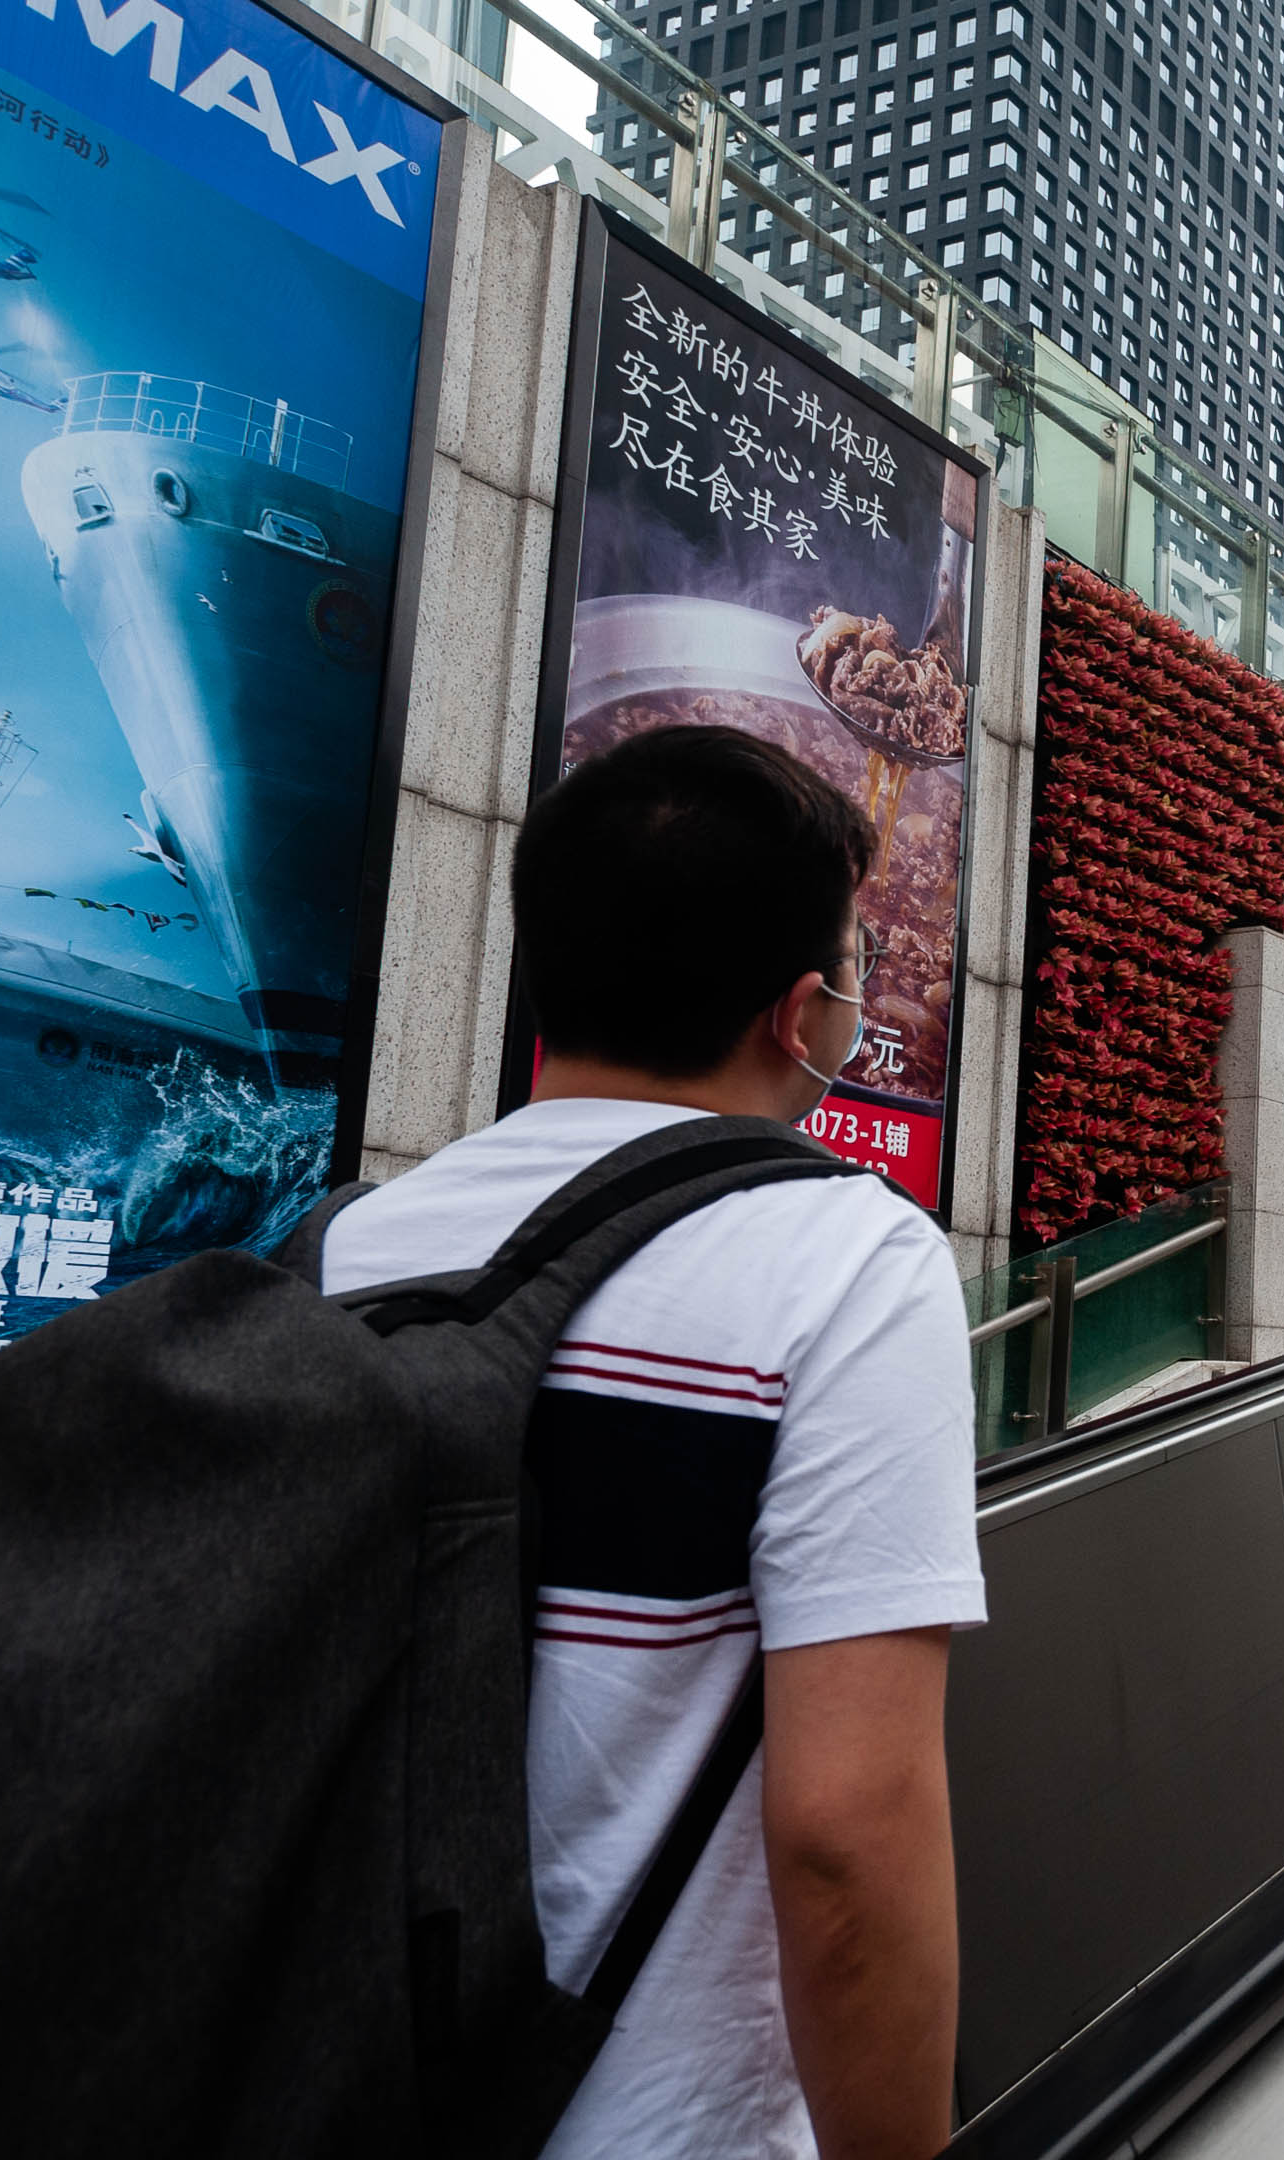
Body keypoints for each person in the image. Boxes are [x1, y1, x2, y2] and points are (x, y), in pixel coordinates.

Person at [320, 726, 983, 2160]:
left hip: (348, 2080)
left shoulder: (357, 1242)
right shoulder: (848, 1260)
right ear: (801, 1019)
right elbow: (845, 1835)